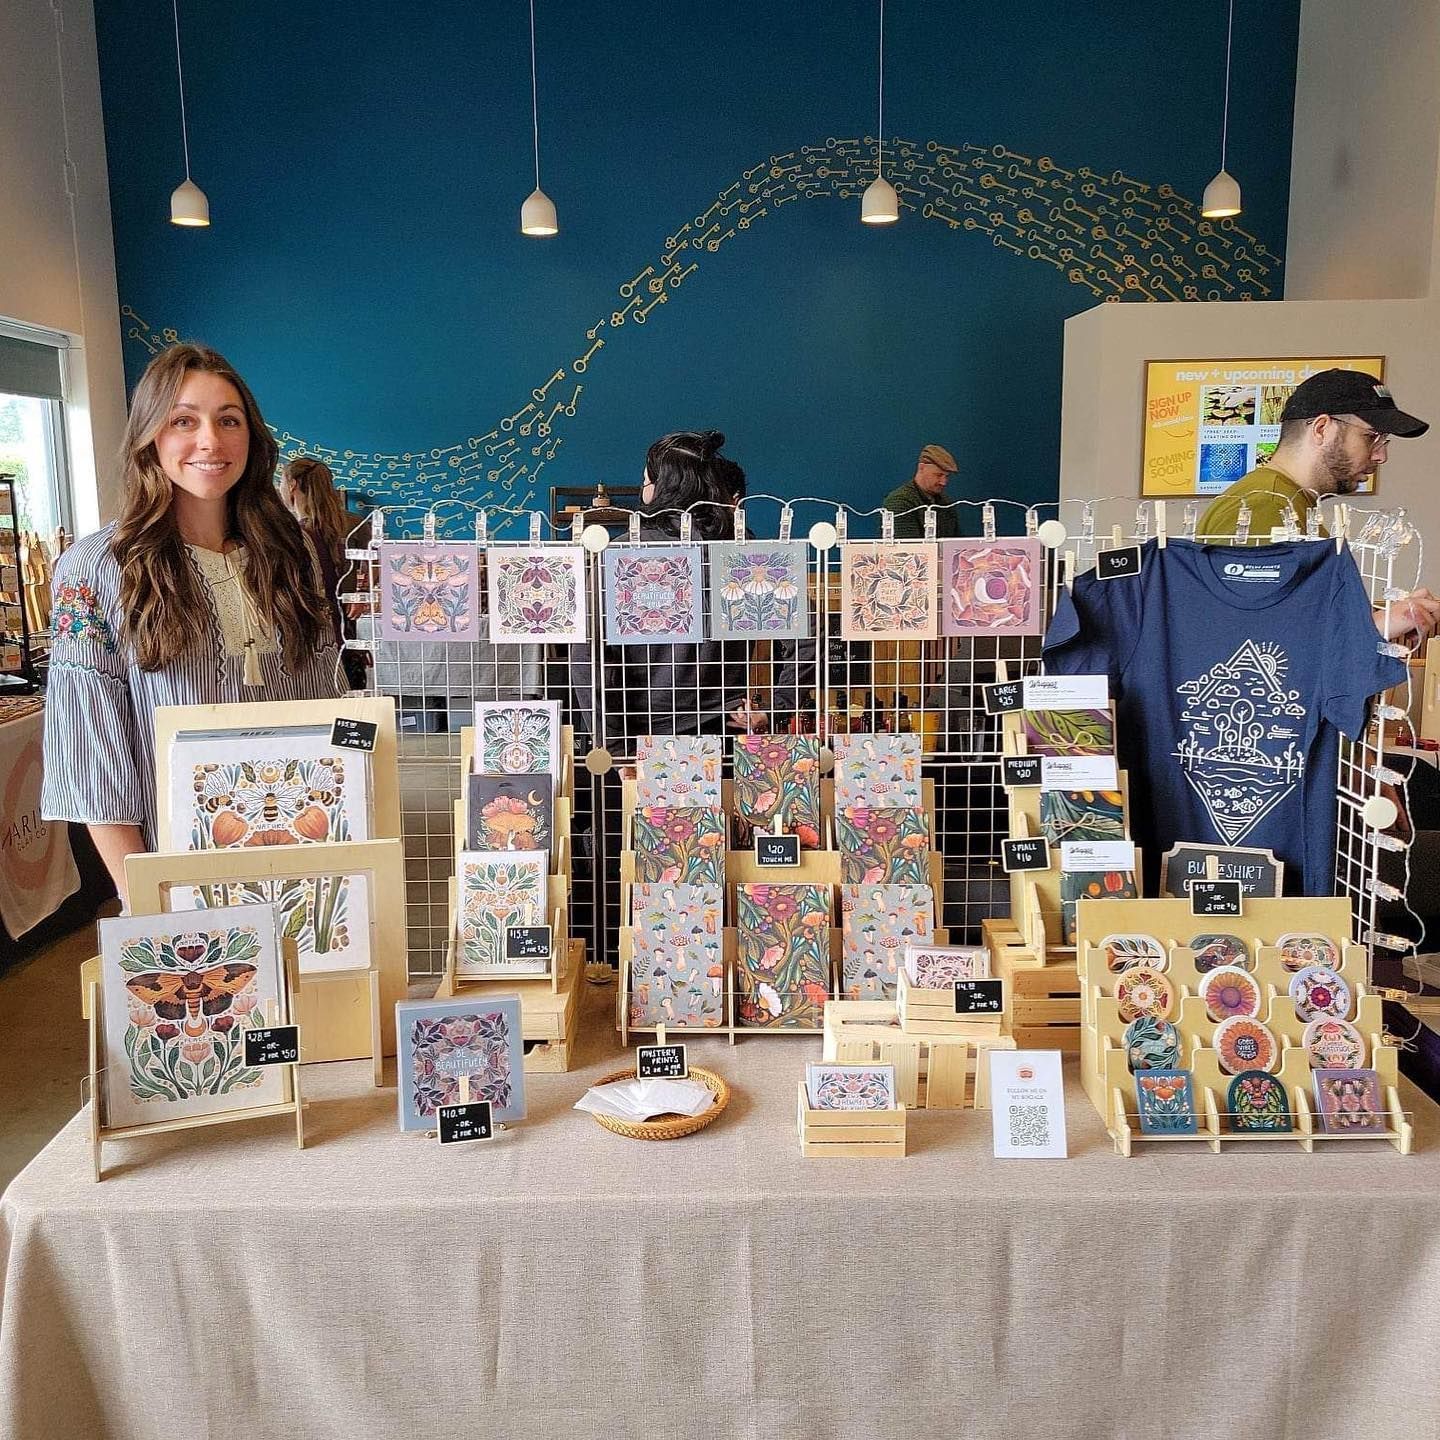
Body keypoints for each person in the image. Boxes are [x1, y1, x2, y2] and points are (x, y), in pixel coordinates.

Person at [41, 343, 342, 903]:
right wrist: (144, 897)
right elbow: (90, 755)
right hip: (180, 867)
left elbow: (331, 694)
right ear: (150, 436)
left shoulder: (290, 548)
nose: (211, 441)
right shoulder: (97, 569)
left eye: (228, 420)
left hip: (310, 850)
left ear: (251, 436)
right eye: (184, 420)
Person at [1198, 369, 1440, 643]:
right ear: (1322, 428)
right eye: (1371, 437)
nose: (1381, 455)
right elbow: (1253, 640)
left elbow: (1295, 618)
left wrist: (1382, 617)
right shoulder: (1266, 506)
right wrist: (1377, 625)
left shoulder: (1287, 501)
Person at [588, 430, 764, 739]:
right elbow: (810, 637)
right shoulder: (741, 550)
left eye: (646, 482)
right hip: (726, 727)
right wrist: (778, 703)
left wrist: (611, 743)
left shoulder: (621, 552)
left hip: (641, 732)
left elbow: (590, 655)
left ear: (662, 488)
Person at [280, 454, 368, 688]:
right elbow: (375, 566)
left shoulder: (290, 533)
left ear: (292, 485)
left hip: (309, 635)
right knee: (350, 705)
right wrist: (362, 593)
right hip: (347, 635)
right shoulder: (355, 523)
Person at [881, 443, 961, 538]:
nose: (943, 482)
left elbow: (955, 541)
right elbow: (908, 548)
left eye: (946, 476)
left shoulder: (946, 503)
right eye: (938, 475)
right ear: (921, 468)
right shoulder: (899, 502)